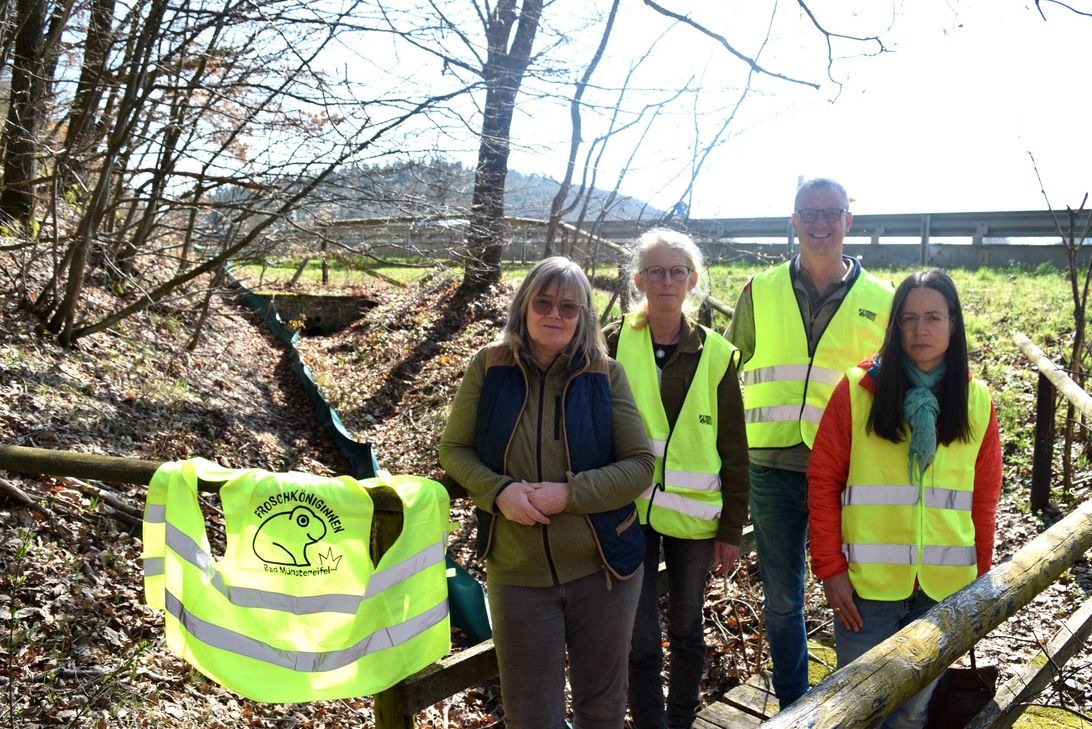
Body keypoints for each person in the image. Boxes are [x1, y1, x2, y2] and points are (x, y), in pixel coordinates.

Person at [439, 256, 655, 729]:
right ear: (524, 306)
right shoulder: (488, 366)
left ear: (583, 318)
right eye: (544, 302)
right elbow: (454, 449)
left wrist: (568, 495)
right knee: (532, 714)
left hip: (603, 570)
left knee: (601, 709)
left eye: (569, 307)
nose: (555, 314)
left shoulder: (605, 374)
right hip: (518, 575)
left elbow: (641, 466)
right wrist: (498, 492)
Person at [807, 269, 1002, 728]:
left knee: (913, 711)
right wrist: (830, 570)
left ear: (953, 323)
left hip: (944, 586)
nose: (921, 329)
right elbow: (822, 482)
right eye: (909, 318)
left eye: (933, 316)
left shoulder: (976, 400)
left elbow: (984, 497)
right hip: (865, 585)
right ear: (894, 326)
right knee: (858, 709)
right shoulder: (856, 391)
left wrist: (981, 579)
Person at [726, 177, 894, 708]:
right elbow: (728, 371)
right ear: (793, 221)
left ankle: (857, 697)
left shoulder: (884, 300)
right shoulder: (759, 290)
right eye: (809, 213)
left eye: (832, 212)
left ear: (849, 220)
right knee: (782, 596)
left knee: (858, 586)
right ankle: (794, 699)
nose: (821, 223)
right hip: (770, 465)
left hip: (846, 471)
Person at [603, 229, 749, 729]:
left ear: (692, 281)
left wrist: (731, 529)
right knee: (639, 639)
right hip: (627, 515)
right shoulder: (613, 343)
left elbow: (735, 451)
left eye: (677, 271)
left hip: (694, 521)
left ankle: (682, 720)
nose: (667, 281)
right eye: (657, 271)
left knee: (687, 630)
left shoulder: (717, 355)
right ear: (640, 280)